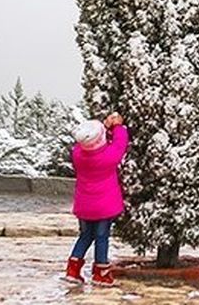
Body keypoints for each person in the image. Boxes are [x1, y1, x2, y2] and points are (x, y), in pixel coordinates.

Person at [64, 111, 127, 286]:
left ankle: (73, 269)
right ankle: (101, 272)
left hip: (84, 205)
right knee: (101, 237)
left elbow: (86, 141)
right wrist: (117, 126)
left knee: (85, 235)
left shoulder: (78, 155)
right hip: (104, 207)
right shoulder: (108, 156)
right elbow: (120, 143)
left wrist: (104, 128)